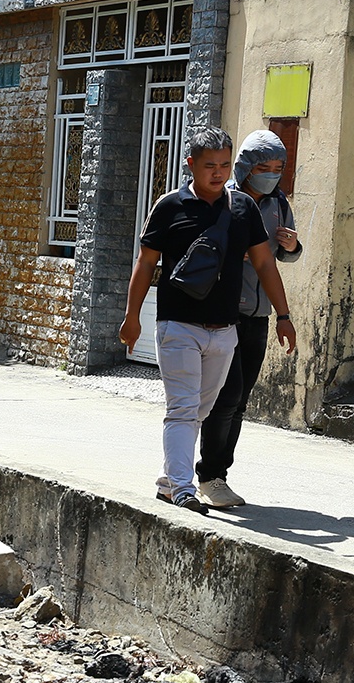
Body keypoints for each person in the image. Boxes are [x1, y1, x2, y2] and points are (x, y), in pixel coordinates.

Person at [120, 126, 297, 514]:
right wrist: (132, 317)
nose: (218, 173)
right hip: (179, 324)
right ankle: (184, 489)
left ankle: (169, 480)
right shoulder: (170, 206)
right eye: (209, 166)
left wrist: (283, 315)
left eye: (224, 165)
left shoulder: (243, 208)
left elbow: (265, 263)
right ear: (191, 164)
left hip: (225, 330)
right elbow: (146, 263)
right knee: (184, 408)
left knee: (202, 409)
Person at [196, 130, 302, 508]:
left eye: (277, 168)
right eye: (263, 168)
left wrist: (291, 246)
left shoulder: (278, 203)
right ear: (245, 167)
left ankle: (218, 474)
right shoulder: (222, 199)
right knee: (225, 396)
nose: (271, 175)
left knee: (239, 401)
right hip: (222, 314)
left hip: (258, 314)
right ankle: (208, 475)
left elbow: (281, 259)